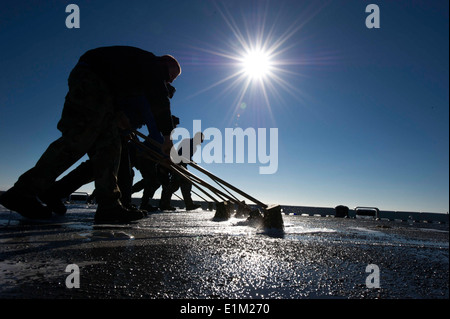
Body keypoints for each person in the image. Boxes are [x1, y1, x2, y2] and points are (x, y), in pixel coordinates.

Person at [0, 46, 181, 223]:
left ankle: (109, 207)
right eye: (171, 76)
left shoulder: (135, 68)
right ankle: (22, 192)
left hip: (99, 86)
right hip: (92, 80)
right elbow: (159, 98)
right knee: (80, 139)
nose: (170, 81)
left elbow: (119, 89)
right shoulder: (152, 63)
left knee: (109, 146)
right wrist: (167, 138)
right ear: (165, 63)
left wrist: (118, 114)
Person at [159, 132, 205, 211]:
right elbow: (183, 155)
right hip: (180, 165)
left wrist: (191, 161)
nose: (201, 142)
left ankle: (165, 204)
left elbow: (186, 155)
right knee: (184, 183)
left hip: (180, 164)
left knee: (176, 185)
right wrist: (188, 161)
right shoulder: (190, 143)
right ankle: (187, 204)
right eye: (201, 140)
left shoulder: (189, 143)